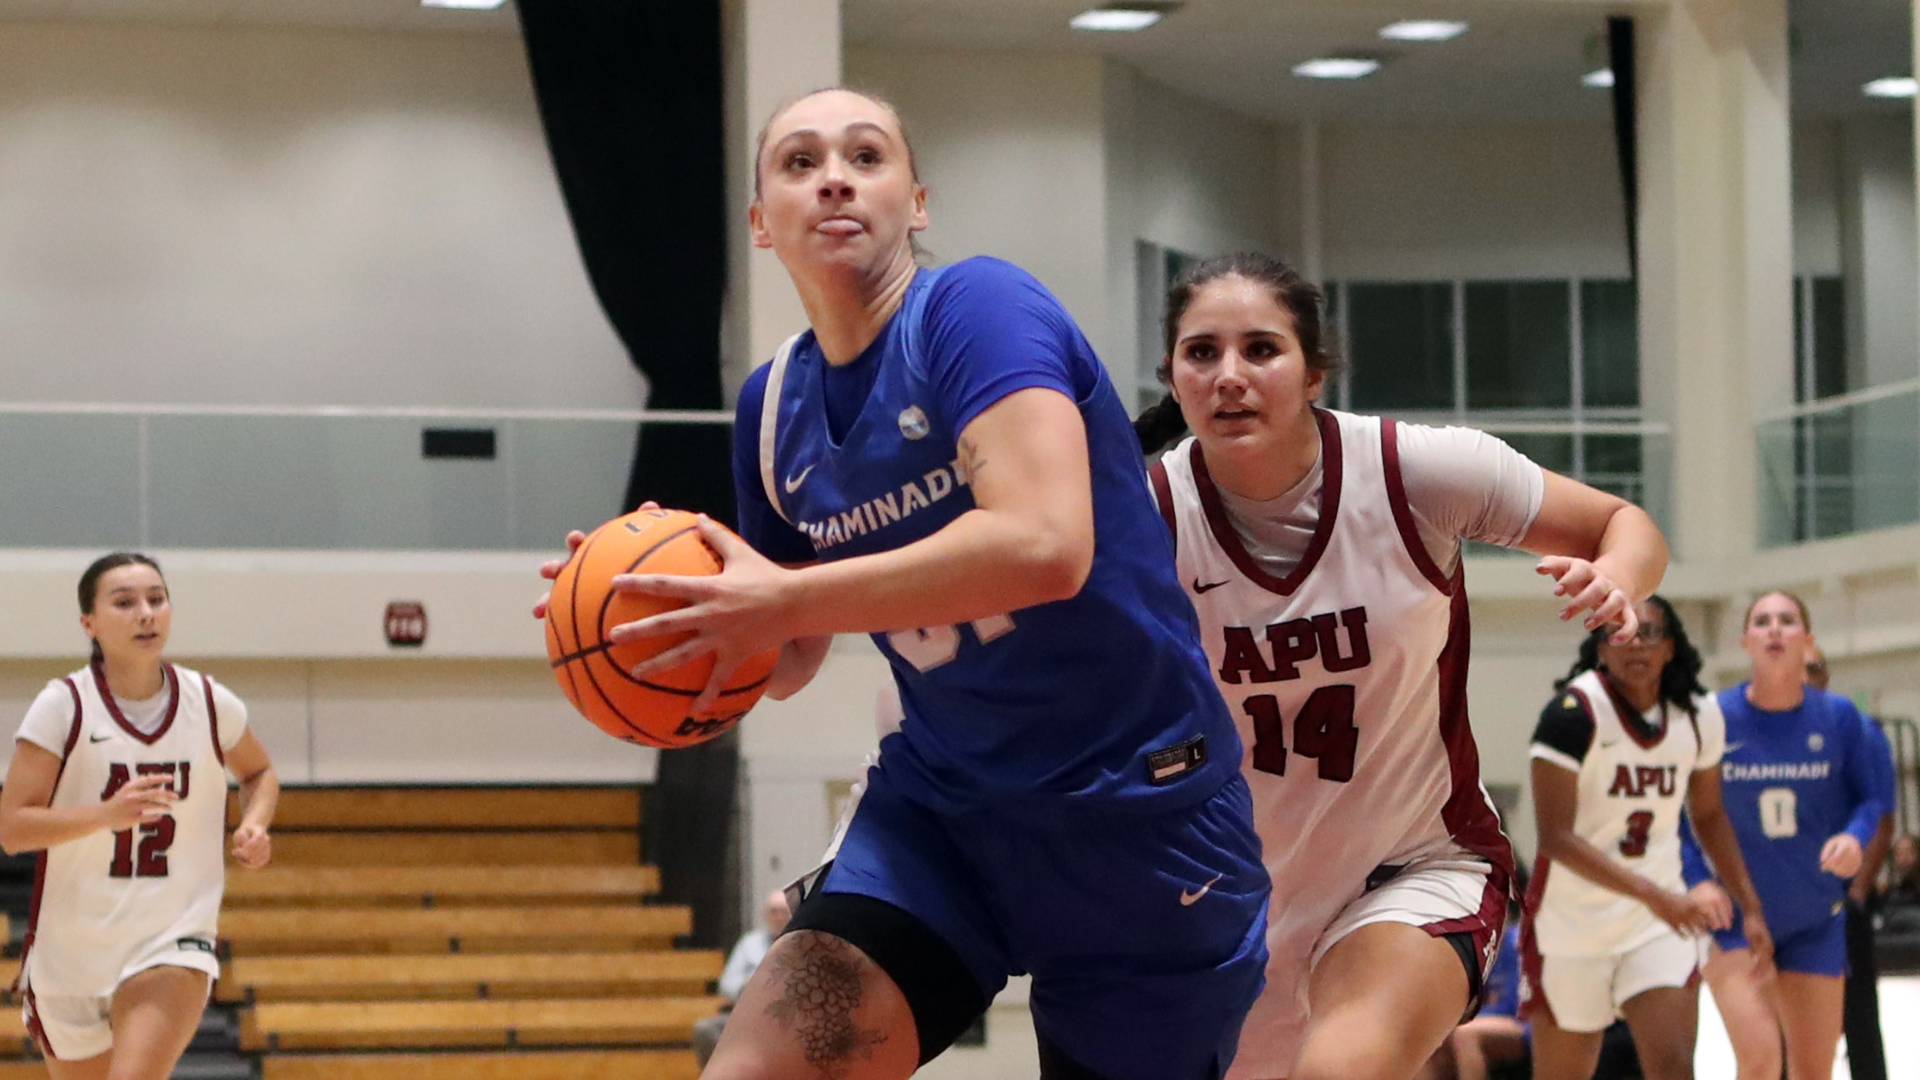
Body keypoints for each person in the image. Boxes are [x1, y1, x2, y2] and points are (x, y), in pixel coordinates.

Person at [537, 89, 1269, 1080]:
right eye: (800, 162)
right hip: (945, 818)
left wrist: (781, 600)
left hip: (1140, 815)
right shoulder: (772, 408)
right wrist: (653, 617)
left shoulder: (976, 309)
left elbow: (1045, 546)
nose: (834, 178)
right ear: (760, 222)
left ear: (915, 202)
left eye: (866, 155)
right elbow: (787, 660)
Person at [1134, 251, 1670, 1080]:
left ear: (1315, 372)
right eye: (1202, 352)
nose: (1230, 374)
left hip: (1417, 864)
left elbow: (1622, 523)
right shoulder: (1142, 516)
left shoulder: (1413, 470)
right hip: (1230, 897)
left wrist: (1618, 579)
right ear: (1173, 376)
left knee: (1340, 1068)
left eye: (1261, 349)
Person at [0, 553, 279, 1080]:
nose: (146, 613)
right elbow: (12, 829)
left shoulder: (208, 701)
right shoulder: (63, 705)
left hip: (171, 939)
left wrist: (255, 822)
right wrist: (105, 815)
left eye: (157, 598)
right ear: (89, 623)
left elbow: (259, 771)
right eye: (125, 602)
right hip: (71, 956)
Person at [1521, 595, 1768, 1080]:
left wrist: (1751, 905)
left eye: (1650, 632)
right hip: (1571, 923)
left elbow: (1709, 814)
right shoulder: (1571, 714)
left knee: (1674, 1066)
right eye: (1620, 633)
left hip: (1654, 923)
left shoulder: (1698, 716)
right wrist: (1656, 896)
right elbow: (1555, 837)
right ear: (1601, 649)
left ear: (1670, 647)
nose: (1636, 643)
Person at [1678, 591, 1886, 1080]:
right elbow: (1674, 812)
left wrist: (1855, 838)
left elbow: (1871, 800)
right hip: (1734, 921)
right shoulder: (1713, 717)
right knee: (1761, 1059)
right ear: (1745, 642)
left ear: (1808, 642)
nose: (1774, 628)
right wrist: (1696, 878)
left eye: (1787, 620)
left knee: (1814, 1070)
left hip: (1815, 920)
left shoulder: (1839, 717)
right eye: (1762, 621)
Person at [1803, 648, 1896, 1080]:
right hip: (1788, 899)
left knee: (1859, 1015)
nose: (1806, 675)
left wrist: (1858, 892)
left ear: (1827, 675)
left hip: (1844, 898)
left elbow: (1882, 818)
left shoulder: (1860, 730)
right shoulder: (1762, 728)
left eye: (1814, 668)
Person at [694, 891, 793, 1068]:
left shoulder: (801, 943)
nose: (778, 917)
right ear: (765, 915)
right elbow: (726, 984)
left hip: (787, 1016)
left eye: (783, 911)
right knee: (705, 1029)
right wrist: (745, 986)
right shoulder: (749, 943)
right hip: (747, 1014)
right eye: (773, 911)